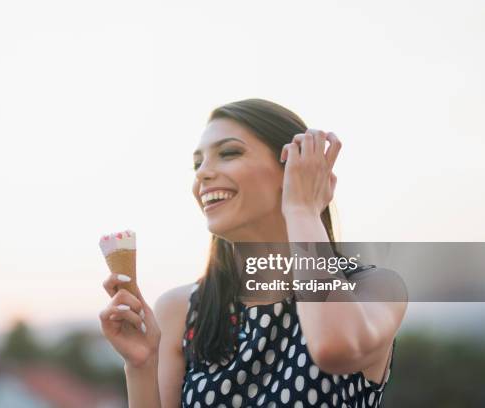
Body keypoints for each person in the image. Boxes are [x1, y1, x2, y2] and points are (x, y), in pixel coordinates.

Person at [99, 99, 408, 407]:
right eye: (197, 164)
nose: (203, 174)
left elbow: (333, 346)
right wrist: (140, 366)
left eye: (229, 153)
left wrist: (302, 209)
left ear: (292, 170)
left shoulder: (378, 288)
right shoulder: (180, 310)